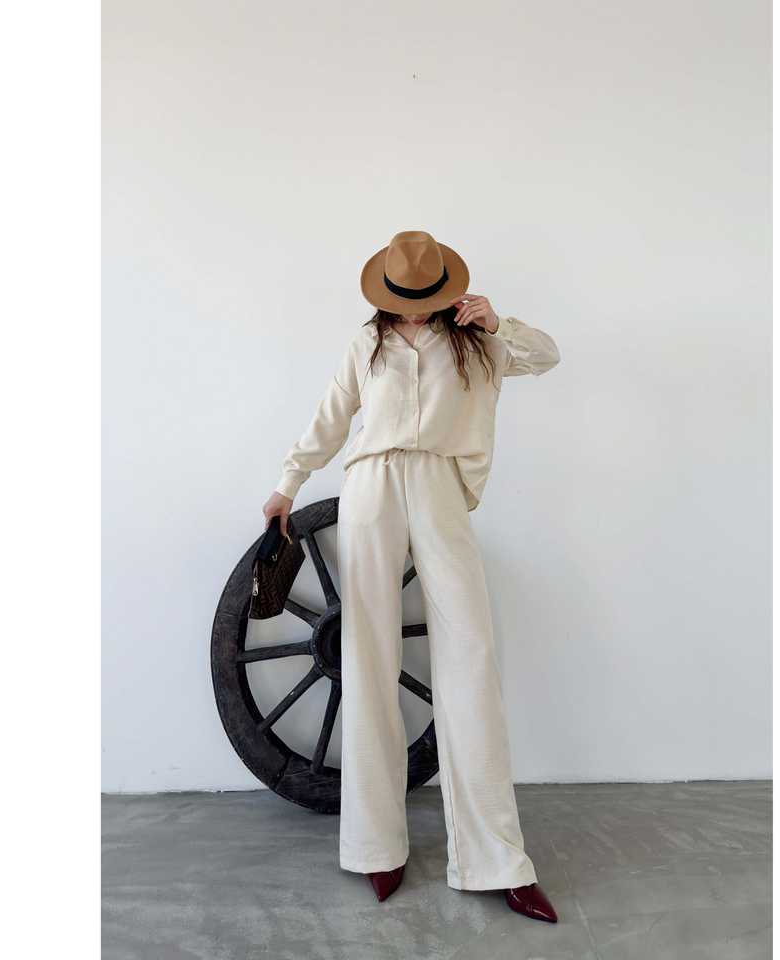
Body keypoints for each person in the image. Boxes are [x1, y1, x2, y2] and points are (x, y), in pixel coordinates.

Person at [262, 230, 561, 923]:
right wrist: (287, 485)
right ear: (387, 292)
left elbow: (547, 356)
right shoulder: (367, 345)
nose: (418, 307)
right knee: (368, 656)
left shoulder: (476, 339)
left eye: (428, 295)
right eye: (406, 297)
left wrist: (498, 322)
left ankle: (496, 859)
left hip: (439, 485)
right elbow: (330, 419)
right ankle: (376, 846)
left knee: (470, 655)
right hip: (371, 485)